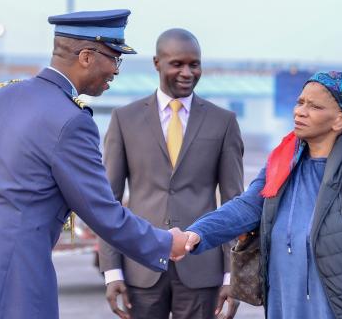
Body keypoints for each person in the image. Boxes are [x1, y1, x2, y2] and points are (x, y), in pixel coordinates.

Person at [0, 10, 189, 318]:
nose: (116, 71)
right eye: (114, 58)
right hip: (14, 275)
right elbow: (102, 211)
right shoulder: (71, 122)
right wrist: (164, 243)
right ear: (86, 57)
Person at [183, 71, 342, 319]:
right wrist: (197, 233)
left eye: (314, 106)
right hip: (284, 307)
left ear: (339, 121)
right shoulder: (282, 161)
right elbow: (247, 207)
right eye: (300, 102)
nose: (300, 111)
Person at [99, 28, 244, 319]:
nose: (187, 72)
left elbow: (234, 205)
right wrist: (112, 271)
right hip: (140, 267)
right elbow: (108, 203)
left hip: (203, 269)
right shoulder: (124, 119)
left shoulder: (223, 122)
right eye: (177, 64)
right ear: (157, 64)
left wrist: (232, 276)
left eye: (194, 64)